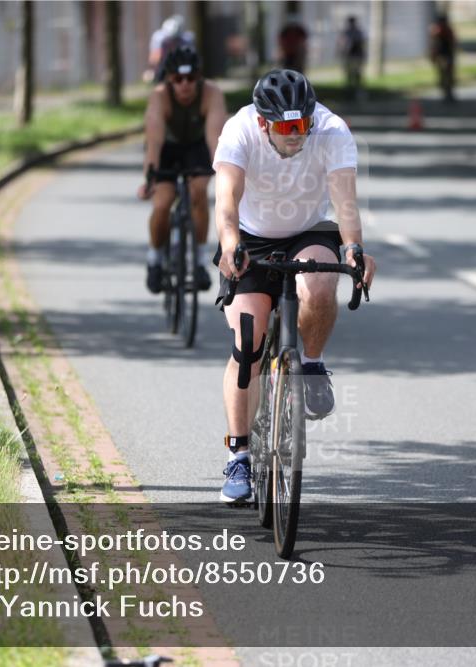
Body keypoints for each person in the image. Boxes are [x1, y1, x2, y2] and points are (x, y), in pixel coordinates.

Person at [211, 69, 377, 503]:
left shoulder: (332, 130)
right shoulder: (239, 130)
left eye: (302, 124)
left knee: (321, 284)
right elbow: (226, 199)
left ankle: (313, 363)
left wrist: (354, 248)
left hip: (310, 229)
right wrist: (230, 246)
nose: (296, 135)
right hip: (250, 234)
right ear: (264, 123)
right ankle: (240, 454)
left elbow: (345, 202)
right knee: (249, 339)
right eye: (286, 127)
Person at [138, 46, 227, 294]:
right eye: (178, 79)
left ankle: (199, 261)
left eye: (190, 79)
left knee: (198, 192)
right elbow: (154, 142)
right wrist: (150, 178)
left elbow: (214, 138)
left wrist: (223, 175)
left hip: (197, 147)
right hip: (166, 148)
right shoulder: (159, 96)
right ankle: (155, 259)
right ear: (169, 79)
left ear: (199, 78)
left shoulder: (212, 93)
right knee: (163, 202)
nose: (185, 85)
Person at [146, 14, 195, 83]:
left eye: (175, 39)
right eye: (171, 39)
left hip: (181, 61)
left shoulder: (187, 39)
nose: (173, 42)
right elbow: (155, 56)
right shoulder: (159, 39)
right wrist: (152, 70)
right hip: (164, 63)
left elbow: (192, 56)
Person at [429, 14, 457, 102]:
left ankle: (448, 94)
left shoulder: (446, 31)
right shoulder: (437, 31)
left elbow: (452, 43)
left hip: (446, 56)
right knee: (444, 76)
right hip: (442, 56)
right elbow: (434, 45)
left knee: (447, 76)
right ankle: (446, 93)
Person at [338, 16, 366, 100]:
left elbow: (360, 44)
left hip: (356, 56)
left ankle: (357, 91)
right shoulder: (347, 33)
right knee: (349, 74)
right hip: (350, 56)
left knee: (357, 74)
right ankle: (350, 91)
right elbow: (343, 44)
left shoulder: (357, 32)